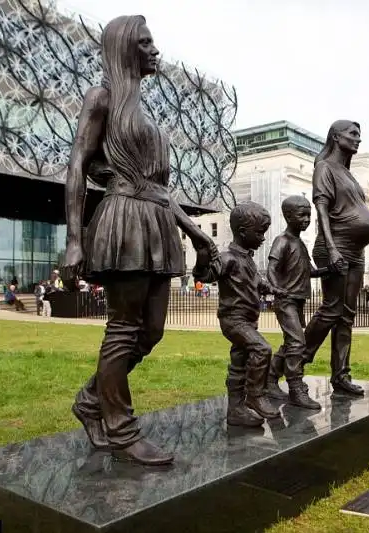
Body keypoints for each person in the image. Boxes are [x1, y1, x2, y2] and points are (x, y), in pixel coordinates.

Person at [63, 15, 216, 466]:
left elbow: (162, 192)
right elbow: (76, 166)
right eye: (146, 43)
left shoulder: (140, 111)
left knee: (150, 332)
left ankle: (92, 401)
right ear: (126, 48)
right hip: (124, 219)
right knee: (124, 328)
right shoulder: (102, 98)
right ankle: (121, 428)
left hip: (154, 222)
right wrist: (75, 238)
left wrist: (197, 237)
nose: (155, 51)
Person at [302, 120, 369, 396]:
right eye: (353, 134)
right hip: (335, 247)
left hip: (356, 252)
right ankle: (292, 362)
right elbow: (321, 208)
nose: (358, 139)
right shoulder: (325, 168)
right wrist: (332, 249)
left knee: (346, 316)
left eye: (360, 134)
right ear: (336, 137)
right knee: (331, 310)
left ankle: (341, 376)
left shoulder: (349, 175)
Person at [193, 202, 286, 426]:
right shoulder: (228, 259)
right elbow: (204, 276)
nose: (263, 238)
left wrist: (274, 289)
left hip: (249, 320)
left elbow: (258, 283)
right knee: (261, 349)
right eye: (260, 232)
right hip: (234, 320)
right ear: (243, 232)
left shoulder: (247, 259)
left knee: (240, 362)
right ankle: (255, 395)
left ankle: (235, 410)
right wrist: (202, 257)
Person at [263, 195, 327, 409]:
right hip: (286, 300)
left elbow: (310, 272)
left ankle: (270, 379)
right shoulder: (282, 241)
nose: (307, 219)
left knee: (291, 342)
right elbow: (271, 269)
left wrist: (332, 270)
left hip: (298, 301)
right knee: (298, 343)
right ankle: (296, 388)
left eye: (309, 214)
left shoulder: (300, 243)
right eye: (302, 214)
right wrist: (276, 289)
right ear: (288, 216)